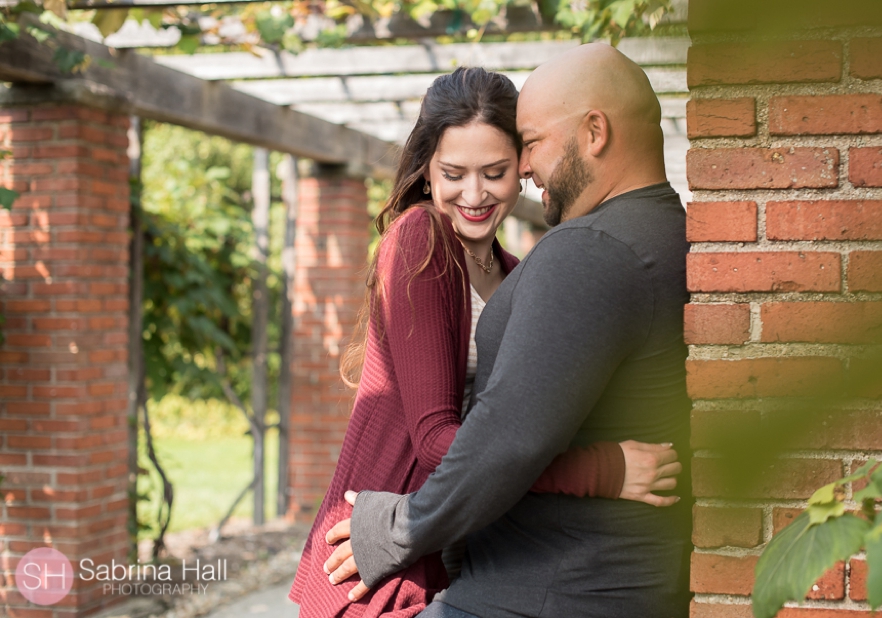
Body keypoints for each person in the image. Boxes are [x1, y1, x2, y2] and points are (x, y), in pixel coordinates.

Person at [288, 66, 682, 618]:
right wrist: (598, 471)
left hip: (446, 547)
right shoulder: (421, 241)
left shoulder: (513, 270)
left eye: (495, 172)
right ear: (427, 171)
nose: (474, 195)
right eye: (454, 173)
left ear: (520, 168)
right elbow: (435, 439)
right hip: (375, 555)